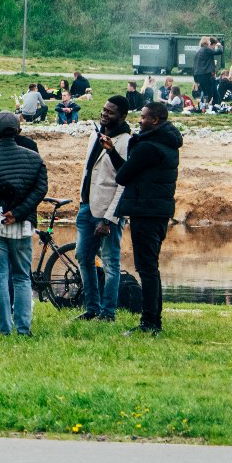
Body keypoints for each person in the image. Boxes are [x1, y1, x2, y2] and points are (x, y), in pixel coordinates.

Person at [0, 112, 47, 336]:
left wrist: (2, 209)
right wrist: (18, 212)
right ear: (18, 131)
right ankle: (23, 328)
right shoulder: (34, 159)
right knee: (22, 277)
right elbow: (40, 189)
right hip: (22, 226)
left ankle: (4, 328)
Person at [115, 100, 182, 336]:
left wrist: (128, 147)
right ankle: (154, 320)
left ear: (155, 120)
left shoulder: (148, 147)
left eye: (143, 117)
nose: (139, 120)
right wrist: (112, 151)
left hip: (146, 211)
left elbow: (122, 176)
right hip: (159, 211)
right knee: (151, 267)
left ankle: (149, 322)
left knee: (147, 269)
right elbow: (131, 171)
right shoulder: (167, 142)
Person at [75, 95, 132, 324]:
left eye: (110, 112)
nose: (104, 114)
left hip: (108, 213)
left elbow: (124, 184)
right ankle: (91, 308)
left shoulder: (126, 141)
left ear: (123, 116)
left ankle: (108, 313)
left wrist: (109, 219)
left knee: (110, 262)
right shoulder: (95, 134)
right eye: (104, 110)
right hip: (86, 206)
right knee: (83, 256)